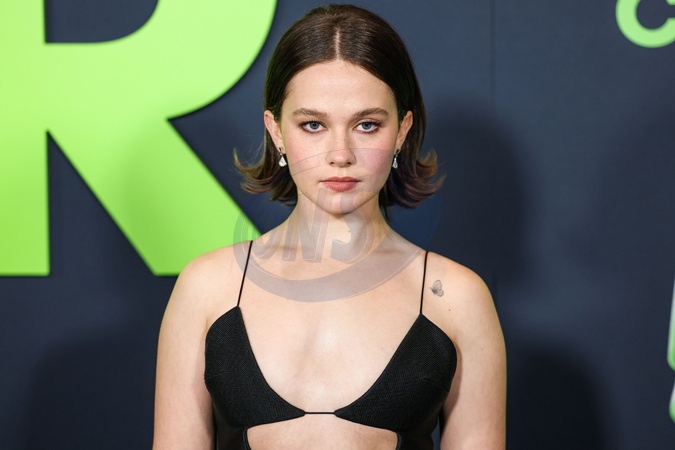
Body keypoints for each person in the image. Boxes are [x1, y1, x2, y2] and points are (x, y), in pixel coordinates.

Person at [153, 4, 505, 449]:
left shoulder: (456, 298)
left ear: (401, 131)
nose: (341, 154)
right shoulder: (207, 288)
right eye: (313, 124)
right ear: (276, 130)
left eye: (367, 124)